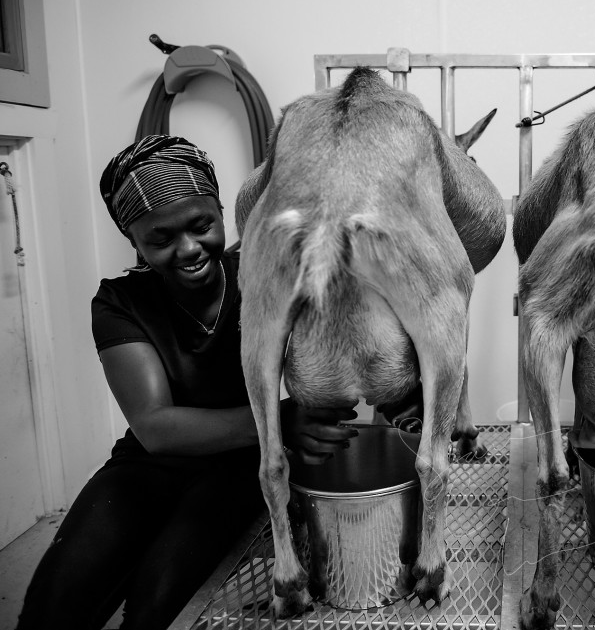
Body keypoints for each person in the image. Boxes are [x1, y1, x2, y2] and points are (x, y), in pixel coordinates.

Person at [16, 135, 358, 630]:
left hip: (240, 467)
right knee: (52, 607)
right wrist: (280, 421)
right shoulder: (119, 301)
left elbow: (333, 353)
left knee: (156, 603)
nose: (189, 249)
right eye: (160, 239)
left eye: (202, 226)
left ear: (222, 211)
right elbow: (156, 426)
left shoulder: (265, 277)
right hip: (148, 466)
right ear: (133, 240)